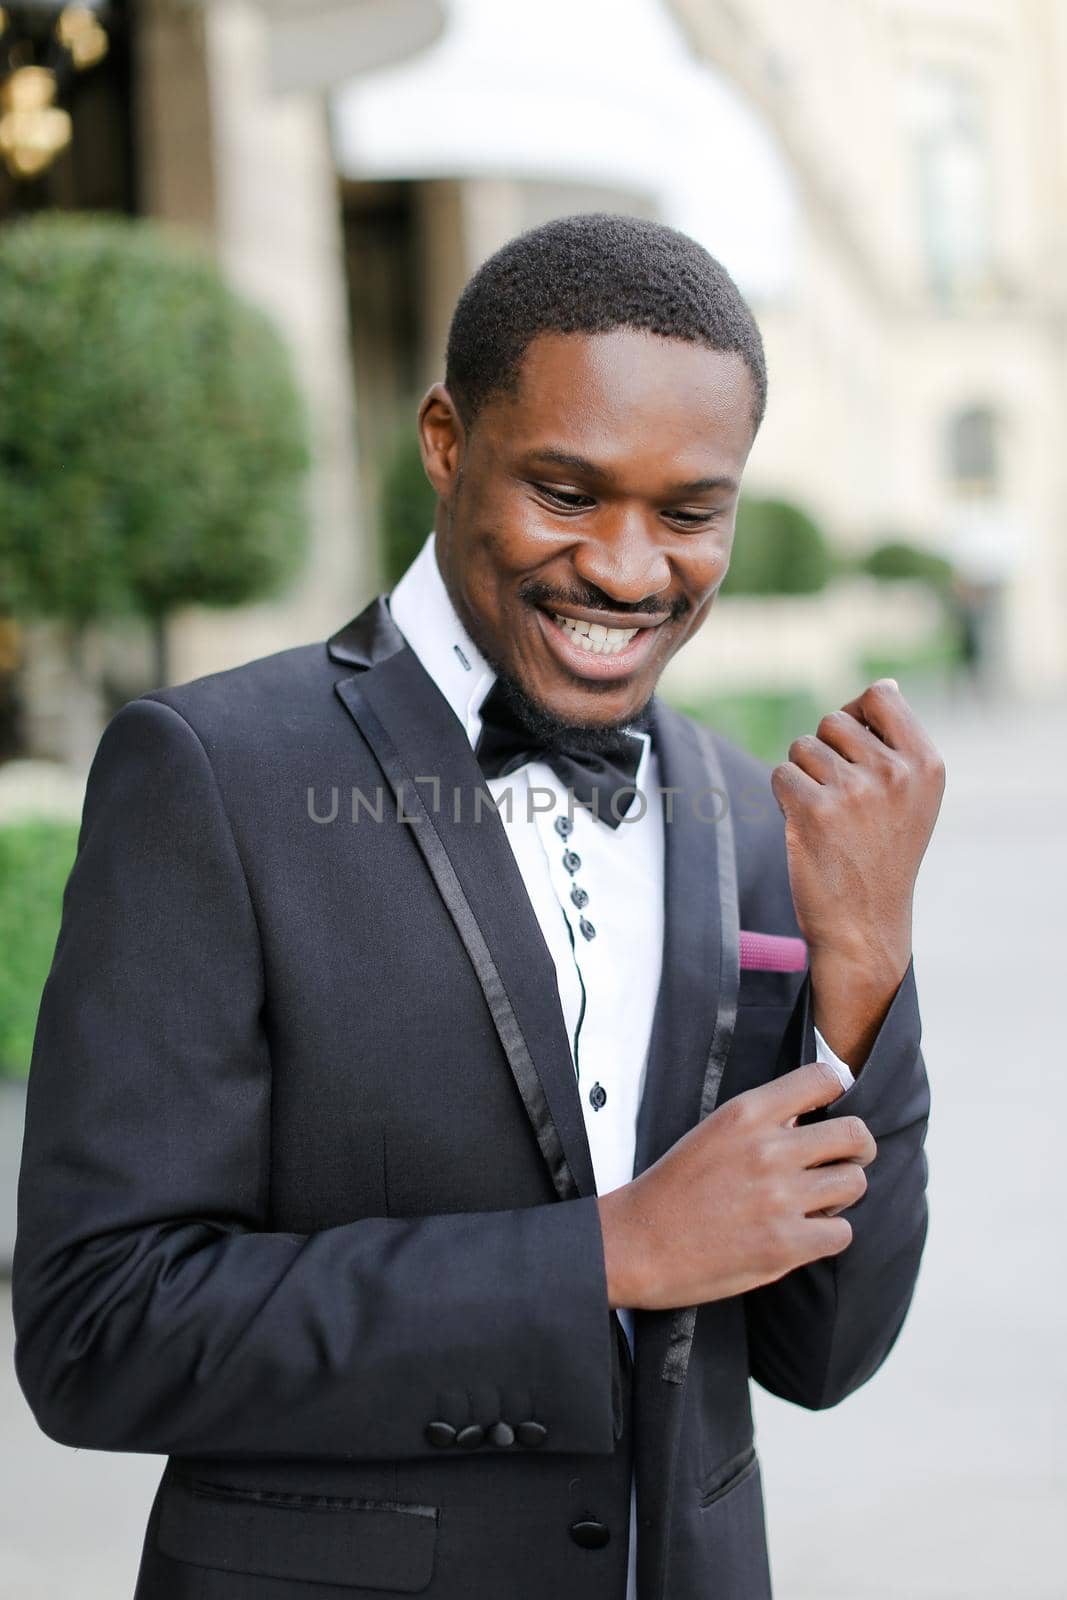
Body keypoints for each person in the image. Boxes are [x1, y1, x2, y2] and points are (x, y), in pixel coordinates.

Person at [12, 213, 944, 1600]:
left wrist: (864, 973)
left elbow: (822, 1354)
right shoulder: (210, 771)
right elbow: (99, 1333)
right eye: (568, 493)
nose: (633, 572)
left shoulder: (746, 810)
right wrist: (606, 1257)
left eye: (691, 513)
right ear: (446, 443)